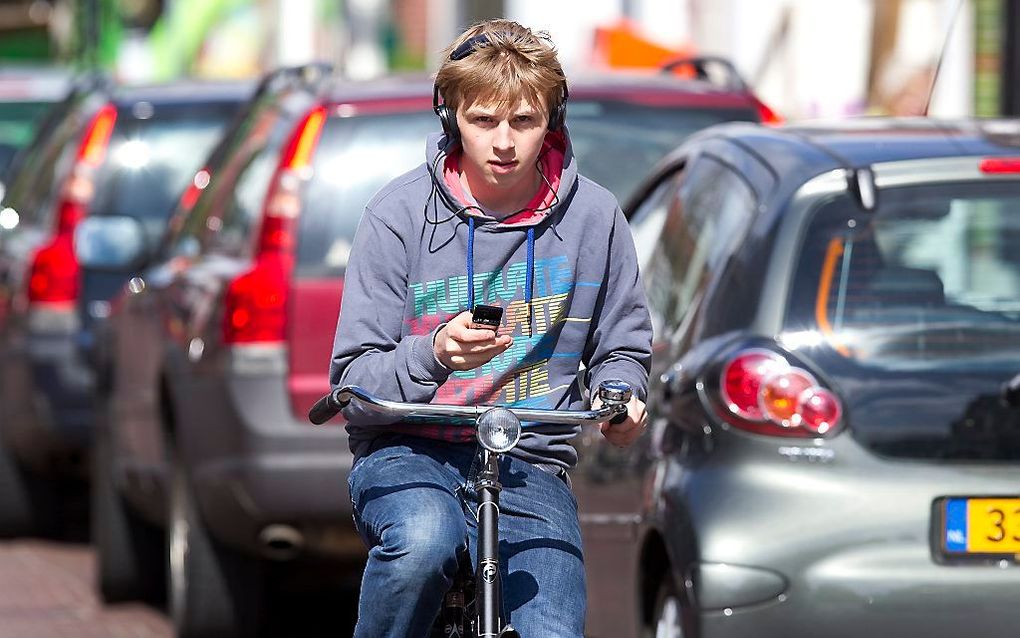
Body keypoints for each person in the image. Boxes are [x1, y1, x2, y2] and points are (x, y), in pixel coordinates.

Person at [329, 19, 652, 637]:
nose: (504, 142)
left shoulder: (596, 217)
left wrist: (622, 396)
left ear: (552, 121)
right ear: (450, 117)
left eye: (524, 122)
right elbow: (354, 381)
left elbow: (623, 348)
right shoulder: (397, 215)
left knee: (553, 627)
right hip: (408, 449)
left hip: (529, 457)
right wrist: (433, 355)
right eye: (483, 121)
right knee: (422, 542)